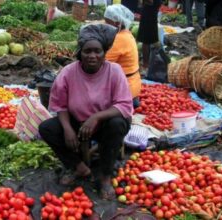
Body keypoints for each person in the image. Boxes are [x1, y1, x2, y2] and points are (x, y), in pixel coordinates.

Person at [38, 24, 133, 199]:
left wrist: (96, 117)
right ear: (79, 53)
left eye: (97, 51)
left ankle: (105, 176)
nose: (92, 56)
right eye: (87, 51)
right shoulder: (68, 72)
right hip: (77, 121)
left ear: (104, 53)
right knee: (47, 128)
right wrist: (67, 129)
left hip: (106, 123)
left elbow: (125, 105)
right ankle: (78, 166)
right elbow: (59, 105)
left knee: (118, 123)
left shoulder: (114, 71)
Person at [104, 4, 141, 107]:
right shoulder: (126, 33)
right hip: (133, 86)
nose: (105, 24)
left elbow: (102, 64)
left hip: (125, 90)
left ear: (117, 23)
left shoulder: (119, 39)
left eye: (107, 22)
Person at [137, 0, 162, 70]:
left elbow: (150, 1)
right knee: (152, 38)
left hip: (149, 13)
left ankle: (146, 64)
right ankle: (157, 60)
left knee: (146, 40)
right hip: (151, 11)